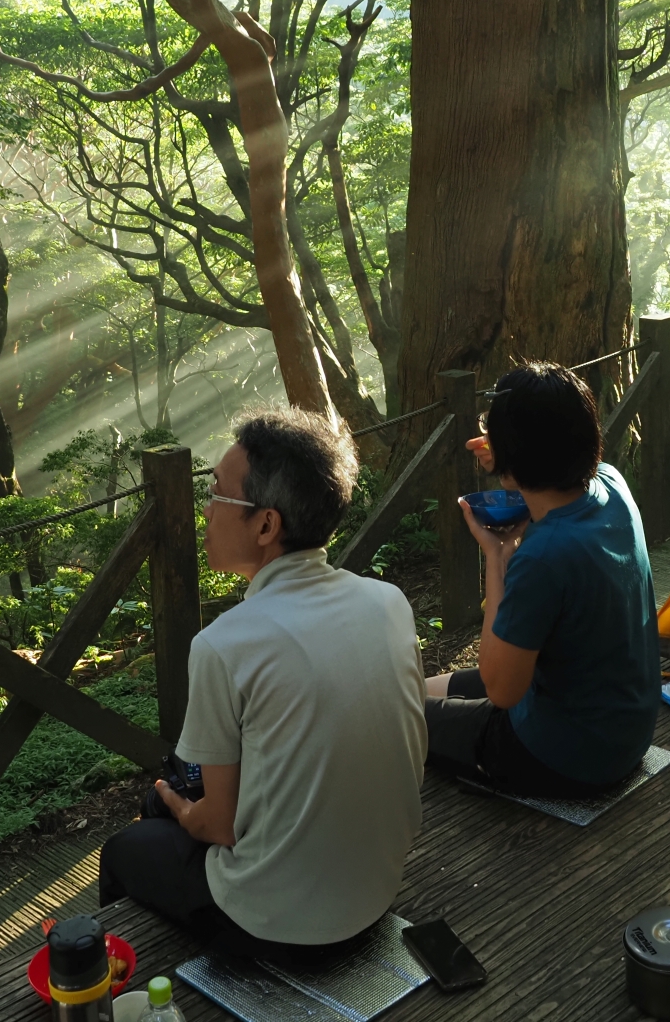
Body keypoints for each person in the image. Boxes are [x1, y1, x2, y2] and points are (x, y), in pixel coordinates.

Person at [98, 407, 427, 956]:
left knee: (128, 847)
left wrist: (182, 811)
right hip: (377, 890)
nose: (205, 510)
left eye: (217, 494)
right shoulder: (388, 602)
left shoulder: (224, 646)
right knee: (178, 795)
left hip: (283, 924)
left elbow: (220, 827)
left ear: (266, 525)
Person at [423, 361, 661, 798]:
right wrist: (511, 458)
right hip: (624, 728)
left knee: (391, 713)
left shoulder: (544, 555)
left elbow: (501, 690)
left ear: (514, 456)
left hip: (565, 758)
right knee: (417, 690)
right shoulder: (613, 486)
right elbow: (553, 468)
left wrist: (496, 559)